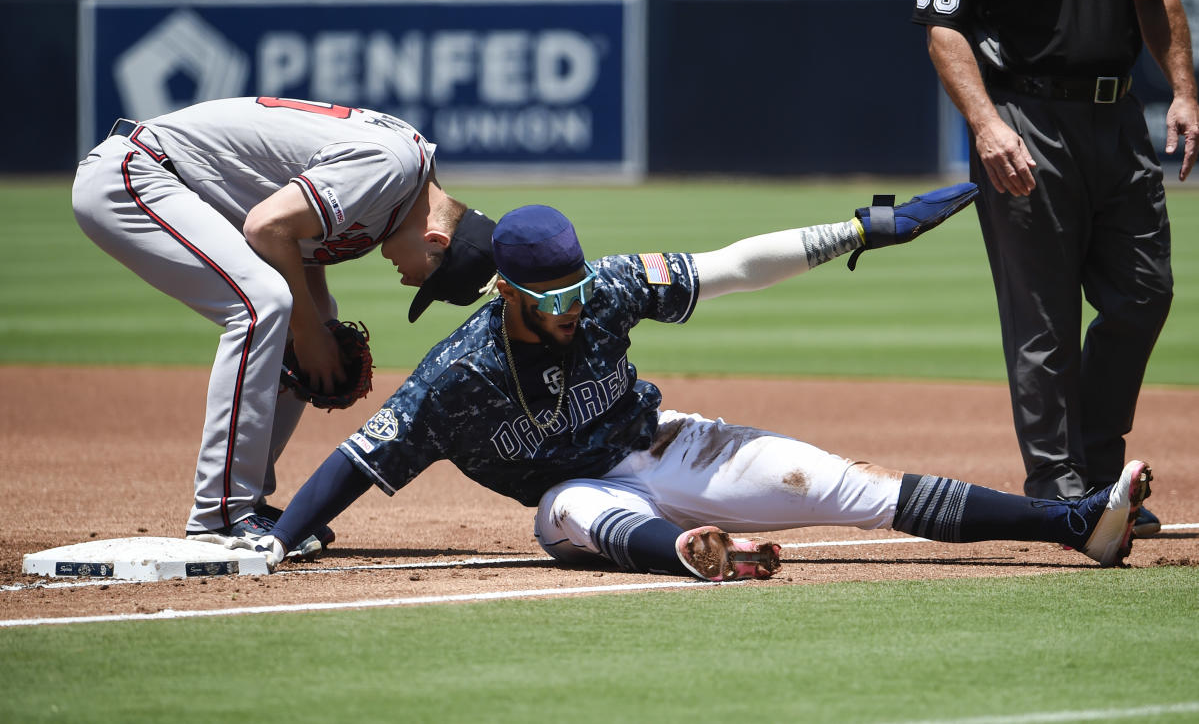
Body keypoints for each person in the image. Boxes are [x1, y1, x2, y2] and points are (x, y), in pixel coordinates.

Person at [248, 191, 1154, 580]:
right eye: (550, 296)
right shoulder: (457, 376)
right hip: (585, 495)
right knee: (565, 509)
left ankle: (1072, 524)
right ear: (508, 294)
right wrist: (282, 540)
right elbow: (358, 460)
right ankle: (684, 555)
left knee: (849, 489)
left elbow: (728, 267)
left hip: (659, 442)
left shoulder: (603, 288)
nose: (569, 307)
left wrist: (853, 231)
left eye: (573, 289)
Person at [71, 96, 498, 555]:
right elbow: (265, 226)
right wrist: (309, 334)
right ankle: (220, 516)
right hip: (138, 173)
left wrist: (318, 331)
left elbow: (294, 242)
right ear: (435, 239)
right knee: (263, 305)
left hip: (167, 180)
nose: (409, 281)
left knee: (311, 316)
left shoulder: (398, 190)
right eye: (426, 279)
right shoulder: (389, 168)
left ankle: (249, 501)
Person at [911, 0, 1198, 537]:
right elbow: (942, 27)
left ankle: (1099, 474)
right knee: (1042, 319)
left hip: (1117, 117)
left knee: (1145, 294)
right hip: (1023, 117)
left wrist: (1182, 90)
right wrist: (985, 125)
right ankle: (1061, 493)